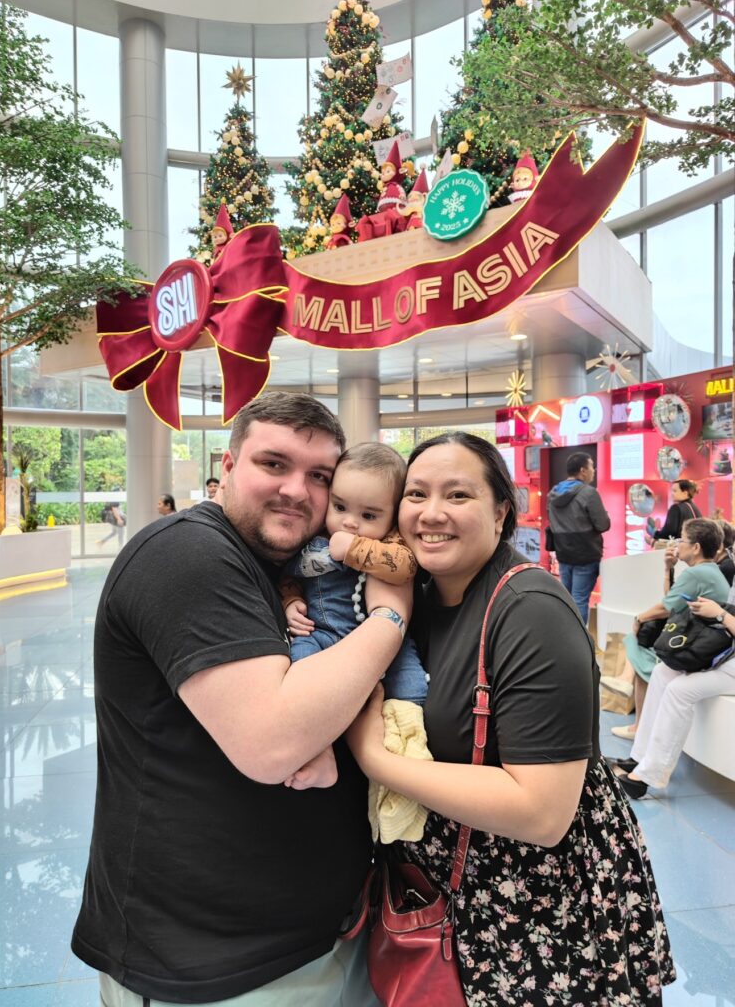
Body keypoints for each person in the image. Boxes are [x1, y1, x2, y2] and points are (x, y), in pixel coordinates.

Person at [72, 392, 411, 1006]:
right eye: (273, 464)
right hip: (215, 967)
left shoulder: (283, 566)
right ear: (227, 467)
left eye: (319, 477)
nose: (296, 491)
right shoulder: (186, 555)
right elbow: (271, 742)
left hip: (323, 937)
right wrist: (390, 616)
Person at [346, 432, 675, 1003]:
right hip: (451, 892)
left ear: (501, 512)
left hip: (536, 905)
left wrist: (375, 758)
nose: (432, 513)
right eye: (416, 494)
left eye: (458, 495)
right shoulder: (415, 596)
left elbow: (541, 812)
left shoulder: (529, 611)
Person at [281, 443, 428, 826]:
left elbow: (404, 567)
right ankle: (319, 749)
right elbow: (287, 575)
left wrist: (355, 550)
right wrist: (291, 601)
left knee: (410, 682)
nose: (349, 522)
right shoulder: (310, 540)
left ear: (393, 518)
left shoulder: (390, 546)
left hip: (386, 644)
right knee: (300, 668)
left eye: (368, 515)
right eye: (340, 507)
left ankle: (410, 747)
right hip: (321, 635)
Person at [603, 518, 731, 740]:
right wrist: (667, 569)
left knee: (640, 638)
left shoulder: (696, 573)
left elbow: (667, 607)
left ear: (696, 547)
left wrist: (639, 618)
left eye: (682, 539)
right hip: (697, 640)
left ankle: (634, 708)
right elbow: (671, 600)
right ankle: (632, 702)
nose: (678, 544)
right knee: (643, 638)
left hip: (692, 645)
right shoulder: (709, 571)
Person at [613, 586, 735, 799]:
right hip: (726, 655)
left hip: (730, 664)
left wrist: (720, 614)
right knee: (662, 672)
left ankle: (648, 775)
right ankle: (640, 756)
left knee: (680, 690)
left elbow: (726, 616)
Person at [546, 451, 611, 625]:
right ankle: (579, 637)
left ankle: (564, 633)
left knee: (566, 597)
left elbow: (552, 521)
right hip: (586, 553)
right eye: (592, 467)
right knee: (580, 599)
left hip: (563, 553)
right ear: (583, 470)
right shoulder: (589, 493)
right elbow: (603, 524)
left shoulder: (553, 493)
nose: (593, 471)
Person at [652, 479, 701, 543]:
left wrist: (655, 535)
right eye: (672, 491)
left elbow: (669, 531)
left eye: (675, 491)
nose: (672, 494)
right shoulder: (695, 508)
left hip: (679, 546)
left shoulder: (676, 508)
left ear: (685, 493)